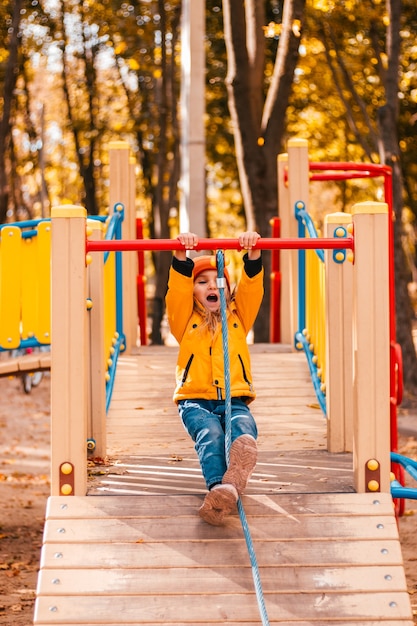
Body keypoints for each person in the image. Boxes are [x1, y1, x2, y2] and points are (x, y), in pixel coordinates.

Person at [165, 231, 264, 525]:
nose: (211, 285)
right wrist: (181, 257)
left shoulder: (238, 316)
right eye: (201, 281)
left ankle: (231, 483)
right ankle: (219, 488)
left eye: (218, 280)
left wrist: (253, 252)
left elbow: (252, 289)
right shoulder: (184, 320)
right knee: (211, 436)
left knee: (243, 429)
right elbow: (176, 292)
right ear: (193, 291)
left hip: (234, 397)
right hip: (195, 401)